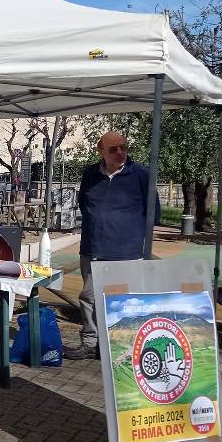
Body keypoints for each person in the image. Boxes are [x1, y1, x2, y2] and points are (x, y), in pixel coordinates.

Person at [64, 131, 161, 360]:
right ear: (101, 151)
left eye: (123, 147)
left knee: (124, 302)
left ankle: (121, 347)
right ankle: (90, 344)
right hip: (93, 248)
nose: (120, 152)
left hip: (127, 251)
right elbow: (84, 204)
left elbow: (153, 212)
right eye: (113, 149)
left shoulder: (141, 175)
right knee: (89, 298)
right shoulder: (90, 174)